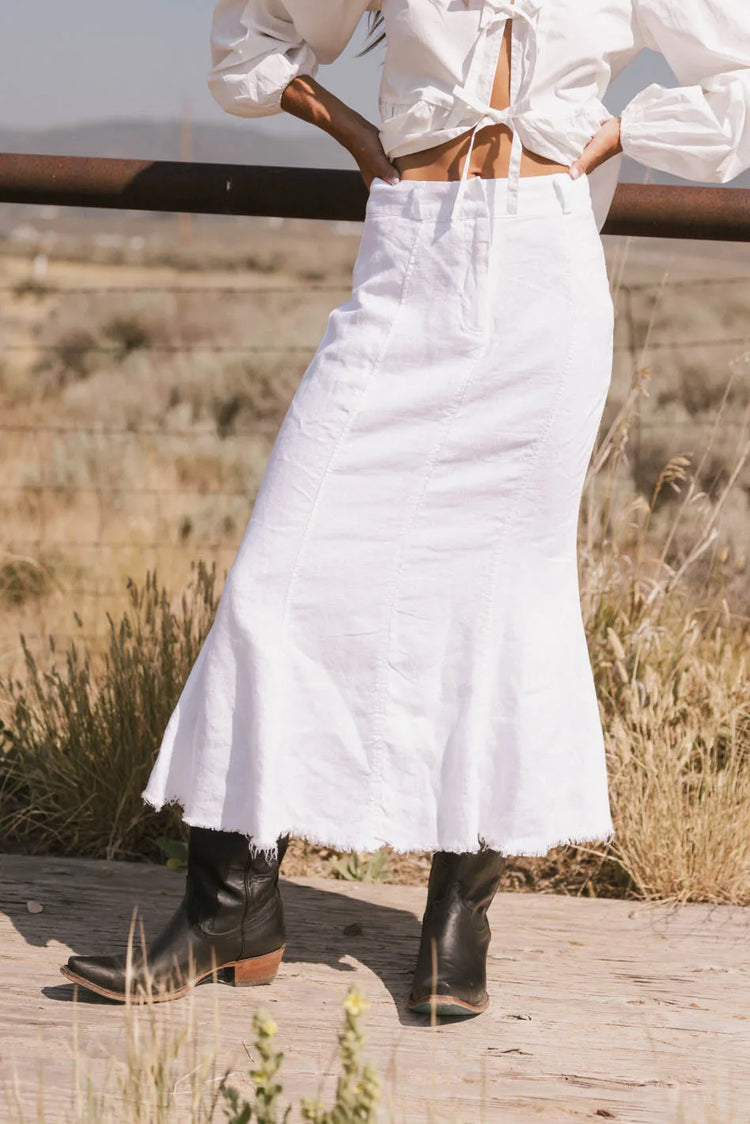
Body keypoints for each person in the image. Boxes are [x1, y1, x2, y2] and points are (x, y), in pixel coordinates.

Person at [61, 0, 750, 1017]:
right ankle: (231, 904)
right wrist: (355, 135)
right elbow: (249, 40)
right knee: (275, 579)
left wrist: (607, 136)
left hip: (544, 276)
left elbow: (735, 81)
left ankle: (457, 917)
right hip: (411, 257)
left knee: (501, 599)